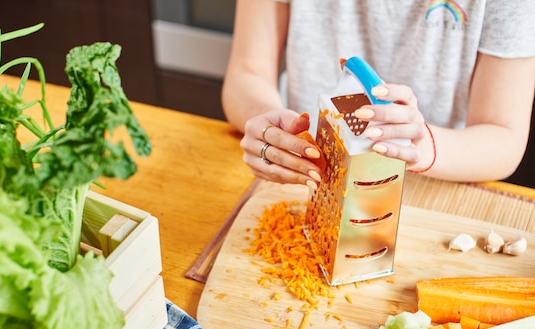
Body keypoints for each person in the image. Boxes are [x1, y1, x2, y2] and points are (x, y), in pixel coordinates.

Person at [221, 1, 535, 189]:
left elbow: (503, 135)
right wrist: (271, 130)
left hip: (436, 185)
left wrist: (420, 146)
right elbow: (248, 72)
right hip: (299, 178)